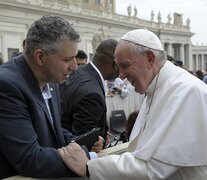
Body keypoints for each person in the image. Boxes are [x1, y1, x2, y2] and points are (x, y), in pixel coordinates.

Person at [57, 29, 207, 180]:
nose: (121, 76)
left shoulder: (186, 91)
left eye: (125, 65)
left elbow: (153, 168)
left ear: (149, 58)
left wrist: (90, 166)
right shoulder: (155, 87)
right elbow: (140, 152)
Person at [0, 15, 103, 179]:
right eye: (68, 59)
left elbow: (52, 129)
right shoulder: (6, 85)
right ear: (40, 57)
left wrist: (81, 142)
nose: (75, 67)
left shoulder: (52, 79)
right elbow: (30, 159)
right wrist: (85, 156)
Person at [61, 39, 119, 142]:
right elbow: (82, 142)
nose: (123, 73)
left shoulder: (77, 72)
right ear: (115, 65)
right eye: (123, 65)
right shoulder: (93, 95)